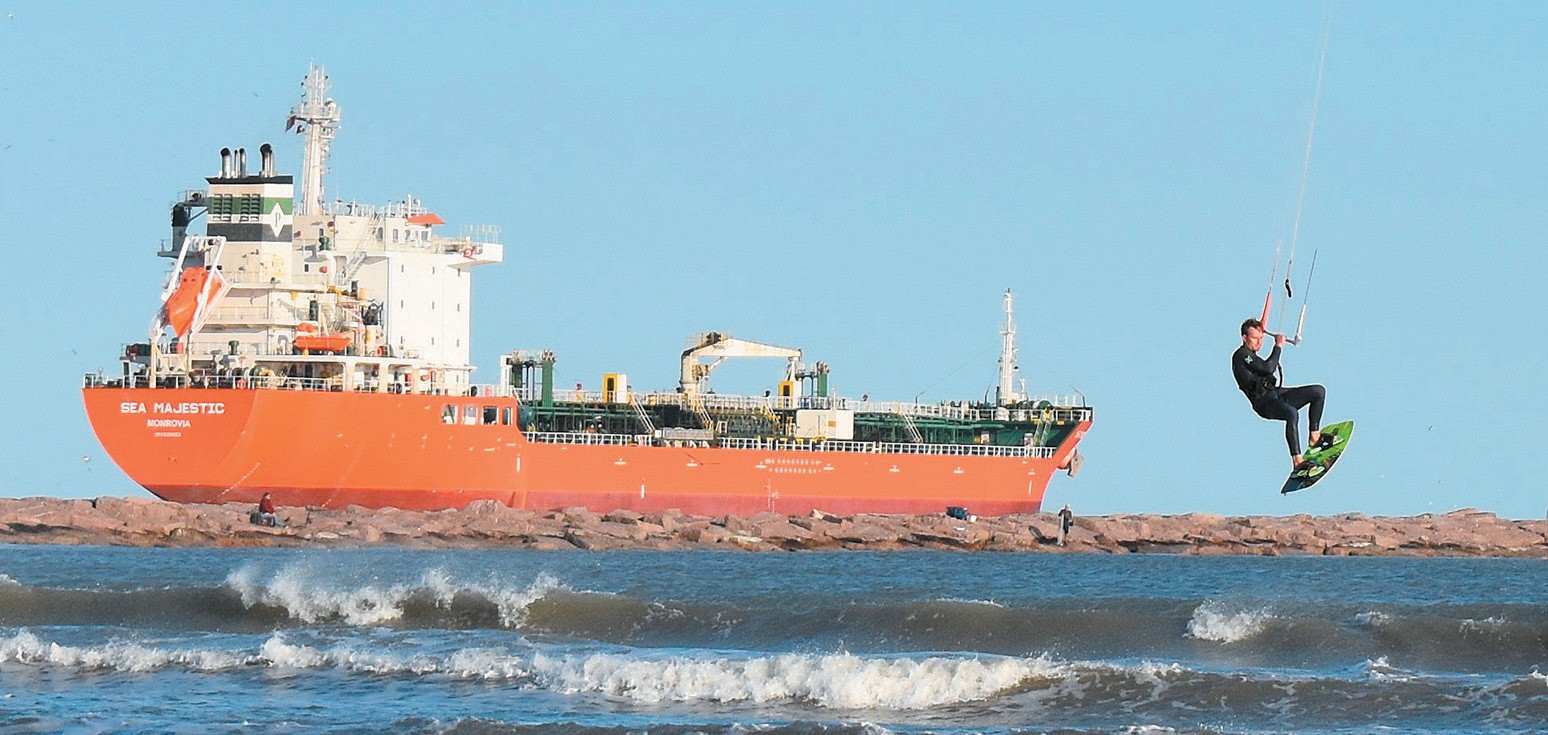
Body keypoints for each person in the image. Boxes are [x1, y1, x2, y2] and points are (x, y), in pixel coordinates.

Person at [1233, 318, 1329, 474]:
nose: (1259, 342)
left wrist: (1271, 360)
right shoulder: (1241, 355)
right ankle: (1297, 462)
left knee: (1318, 392)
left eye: (1261, 338)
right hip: (1264, 403)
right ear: (1244, 337)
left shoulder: (1251, 357)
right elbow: (1268, 367)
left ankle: (1315, 437)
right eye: (1255, 338)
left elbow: (1264, 367)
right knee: (1292, 413)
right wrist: (1277, 346)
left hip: (1276, 394)